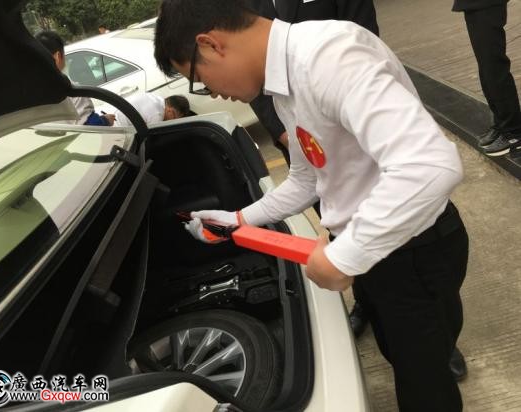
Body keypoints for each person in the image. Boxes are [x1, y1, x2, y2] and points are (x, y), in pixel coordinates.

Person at [154, 1, 470, 410]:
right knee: (400, 355)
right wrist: (237, 219)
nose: (211, 92)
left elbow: (429, 165)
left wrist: (345, 255)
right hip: (376, 252)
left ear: (210, 44)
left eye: (198, 80)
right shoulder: (284, 83)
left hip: (412, 251)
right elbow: (309, 178)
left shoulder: (329, 58)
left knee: (426, 388)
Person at [248, 0, 379, 338]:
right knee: (335, 216)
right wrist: (285, 130)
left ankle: (430, 333)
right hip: (299, 136)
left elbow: (364, 37)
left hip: (353, 130)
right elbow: (253, 79)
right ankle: (368, 299)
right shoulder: (245, 4)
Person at [248, 0, 379, 165]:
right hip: (299, 142)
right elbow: (245, 62)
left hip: (355, 121)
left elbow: (363, 36)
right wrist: (284, 135)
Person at [453, 0, 521, 157]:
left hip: (485, 3)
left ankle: (514, 131)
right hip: (474, 4)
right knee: (486, 67)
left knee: (494, 66)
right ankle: (502, 123)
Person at [35, 30, 115, 126]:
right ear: (58, 56)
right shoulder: (72, 91)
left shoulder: (27, 95)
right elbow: (91, 126)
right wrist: (106, 120)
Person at [113, 93, 193, 127]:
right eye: (175, 118)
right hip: (120, 127)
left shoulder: (157, 98)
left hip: (115, 117)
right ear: (170, 111)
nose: (172, 121)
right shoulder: (158, 114)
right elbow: (150, 136)